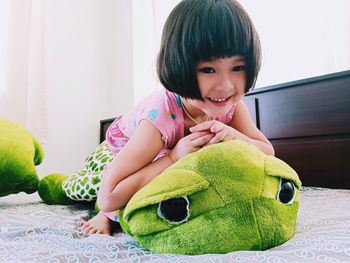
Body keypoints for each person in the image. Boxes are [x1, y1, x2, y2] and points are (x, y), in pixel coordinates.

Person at [82, 0, 275, 235]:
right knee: (100, 188)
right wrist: (174, 157)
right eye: (208, 69)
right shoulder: (159, 119)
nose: (225, 86)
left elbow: (267, 151)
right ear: (177, 66)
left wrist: (235, 137)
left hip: (167, 151)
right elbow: (109, 196)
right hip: (120, 147)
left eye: (237, 68)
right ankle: (104, 218)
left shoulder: (232, 107)